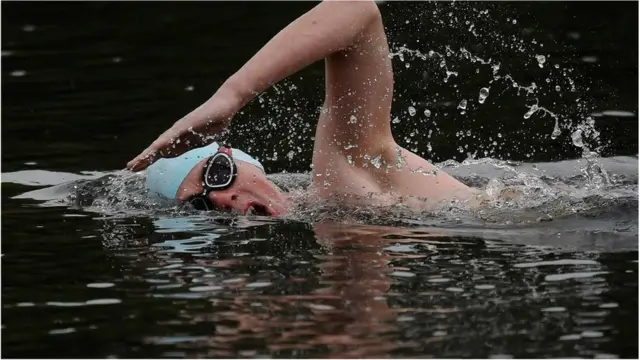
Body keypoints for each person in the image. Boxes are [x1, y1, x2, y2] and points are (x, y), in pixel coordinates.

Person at [127, 0, 478, 217]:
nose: (223, 198)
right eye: (199, 205)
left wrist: (230, 97)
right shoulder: (332, 219)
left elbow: (356, 9)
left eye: (218, 174)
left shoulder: (342, 177)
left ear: (243, 159)